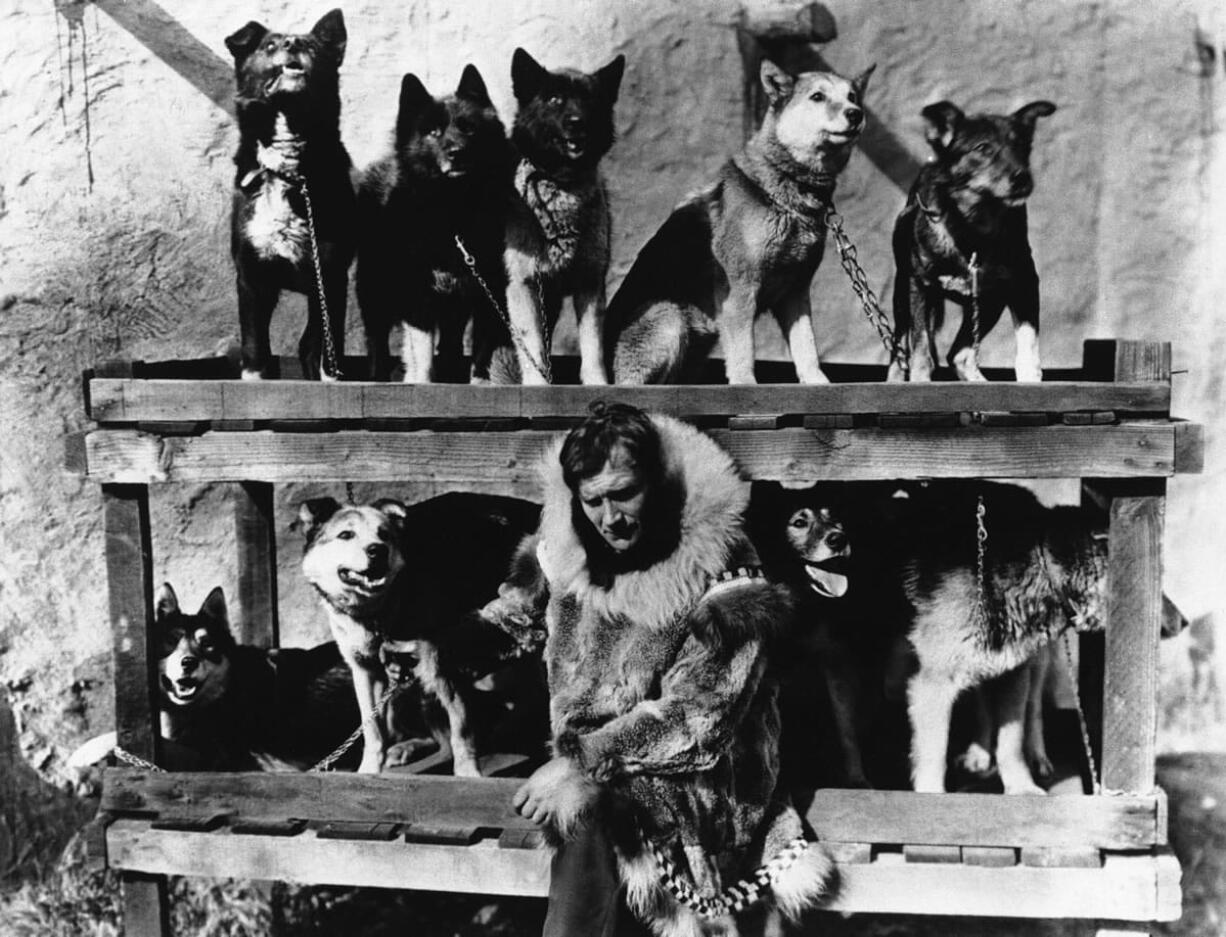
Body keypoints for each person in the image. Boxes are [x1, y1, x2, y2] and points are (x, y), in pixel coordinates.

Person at [491, 402, 833, 937]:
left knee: (586, 808)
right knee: (586, 808)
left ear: (659, 480)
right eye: (594, 501)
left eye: (625, 493)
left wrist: (583, 762)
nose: (611, 517)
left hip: (705, 783)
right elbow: (515, 618)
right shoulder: (570, 549)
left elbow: (701, 719)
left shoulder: (721, 563)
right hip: (603, 771)